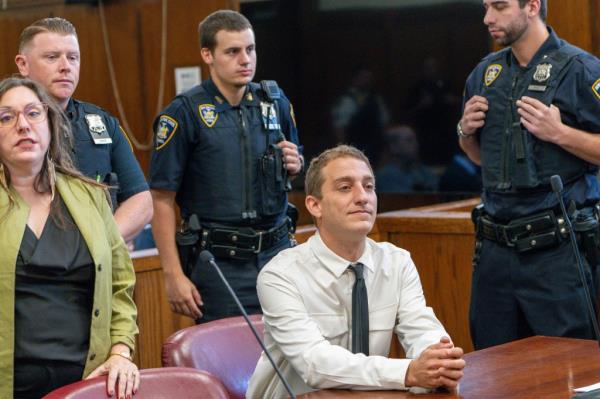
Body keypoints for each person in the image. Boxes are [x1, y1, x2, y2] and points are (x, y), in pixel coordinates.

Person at [247, 145, 465, 398]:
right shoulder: (280, 275)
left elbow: (422, 328)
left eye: (369, 186)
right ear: (315, 205)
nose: (362, 197)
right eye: (345, 187)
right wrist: (408, 371)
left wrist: (439, 360)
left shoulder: (397, 261)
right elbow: (315, 364)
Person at [458, 0, 600, 349]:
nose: (488, 17)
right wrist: (464, 132)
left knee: (569, 368)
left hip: (557, 251)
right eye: (486, 7)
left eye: (500, 7)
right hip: (494, 250)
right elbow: (480, 159)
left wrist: (559, 133)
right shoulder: (484, 74)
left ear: (533, 6)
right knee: (493, 367)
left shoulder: (581, 70)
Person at [149, 10, 303, 323]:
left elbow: (296, 162)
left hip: (279, 254)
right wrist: (172, 274)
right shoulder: (183, 113)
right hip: (220, 264)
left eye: (250, 49)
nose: (245, 59)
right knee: (228, 362)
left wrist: (296, 163)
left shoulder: (275, 101)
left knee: (291, 360)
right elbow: (161, 199)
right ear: (208, 54)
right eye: (232, 51)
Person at [0, 77, 139, 399]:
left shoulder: (90, 196)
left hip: (90, 378)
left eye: (33, 113)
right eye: (6, 117)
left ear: (51, 125)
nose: (23, 125)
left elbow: (120, 284)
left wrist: (121, 352)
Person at [15, 17, 152, 245]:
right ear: (23, 64)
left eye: (73, 57)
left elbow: (141, 200)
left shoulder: (102, 123)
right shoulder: (8, 125)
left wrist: (100, 245)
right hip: (30, 267)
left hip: (96, 265)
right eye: (51, 57)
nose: (65, 66)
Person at [330, 66, 390, 167]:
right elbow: (339, 129)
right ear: (354, 78)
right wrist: (345, 152)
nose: (367, 81)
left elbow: (385, 124)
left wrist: (386, 149)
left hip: (376, 149)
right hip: (355, 148)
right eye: (363, 77)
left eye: (369, 78)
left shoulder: (376, 99)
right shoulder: (346, 100)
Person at [375, 124, 438, 192]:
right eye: (409, 140)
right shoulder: (385, 177)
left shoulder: (425, 173)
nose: (416, 144)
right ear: (394, 146)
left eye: (415, 140)